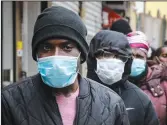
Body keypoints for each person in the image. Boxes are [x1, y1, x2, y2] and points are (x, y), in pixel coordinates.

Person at [2, 6, 130, 125]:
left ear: (81, 53)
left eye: (67, 47)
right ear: (36, 53)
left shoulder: (111, 104)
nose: (56, 55)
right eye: (47, 47)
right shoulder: (10, 101)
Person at [87, 30, 159, 125]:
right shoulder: (77, 94)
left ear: (127, 61)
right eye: (106, 54)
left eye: (120, 57)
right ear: (93, 57)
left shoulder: (141, 100)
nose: (113, 61)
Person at [126, 31, 167, 125]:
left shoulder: (163, 84)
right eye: (130, 56)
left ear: (146, 57)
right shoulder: (116, 81)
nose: (134, 60)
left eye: (139, 56)